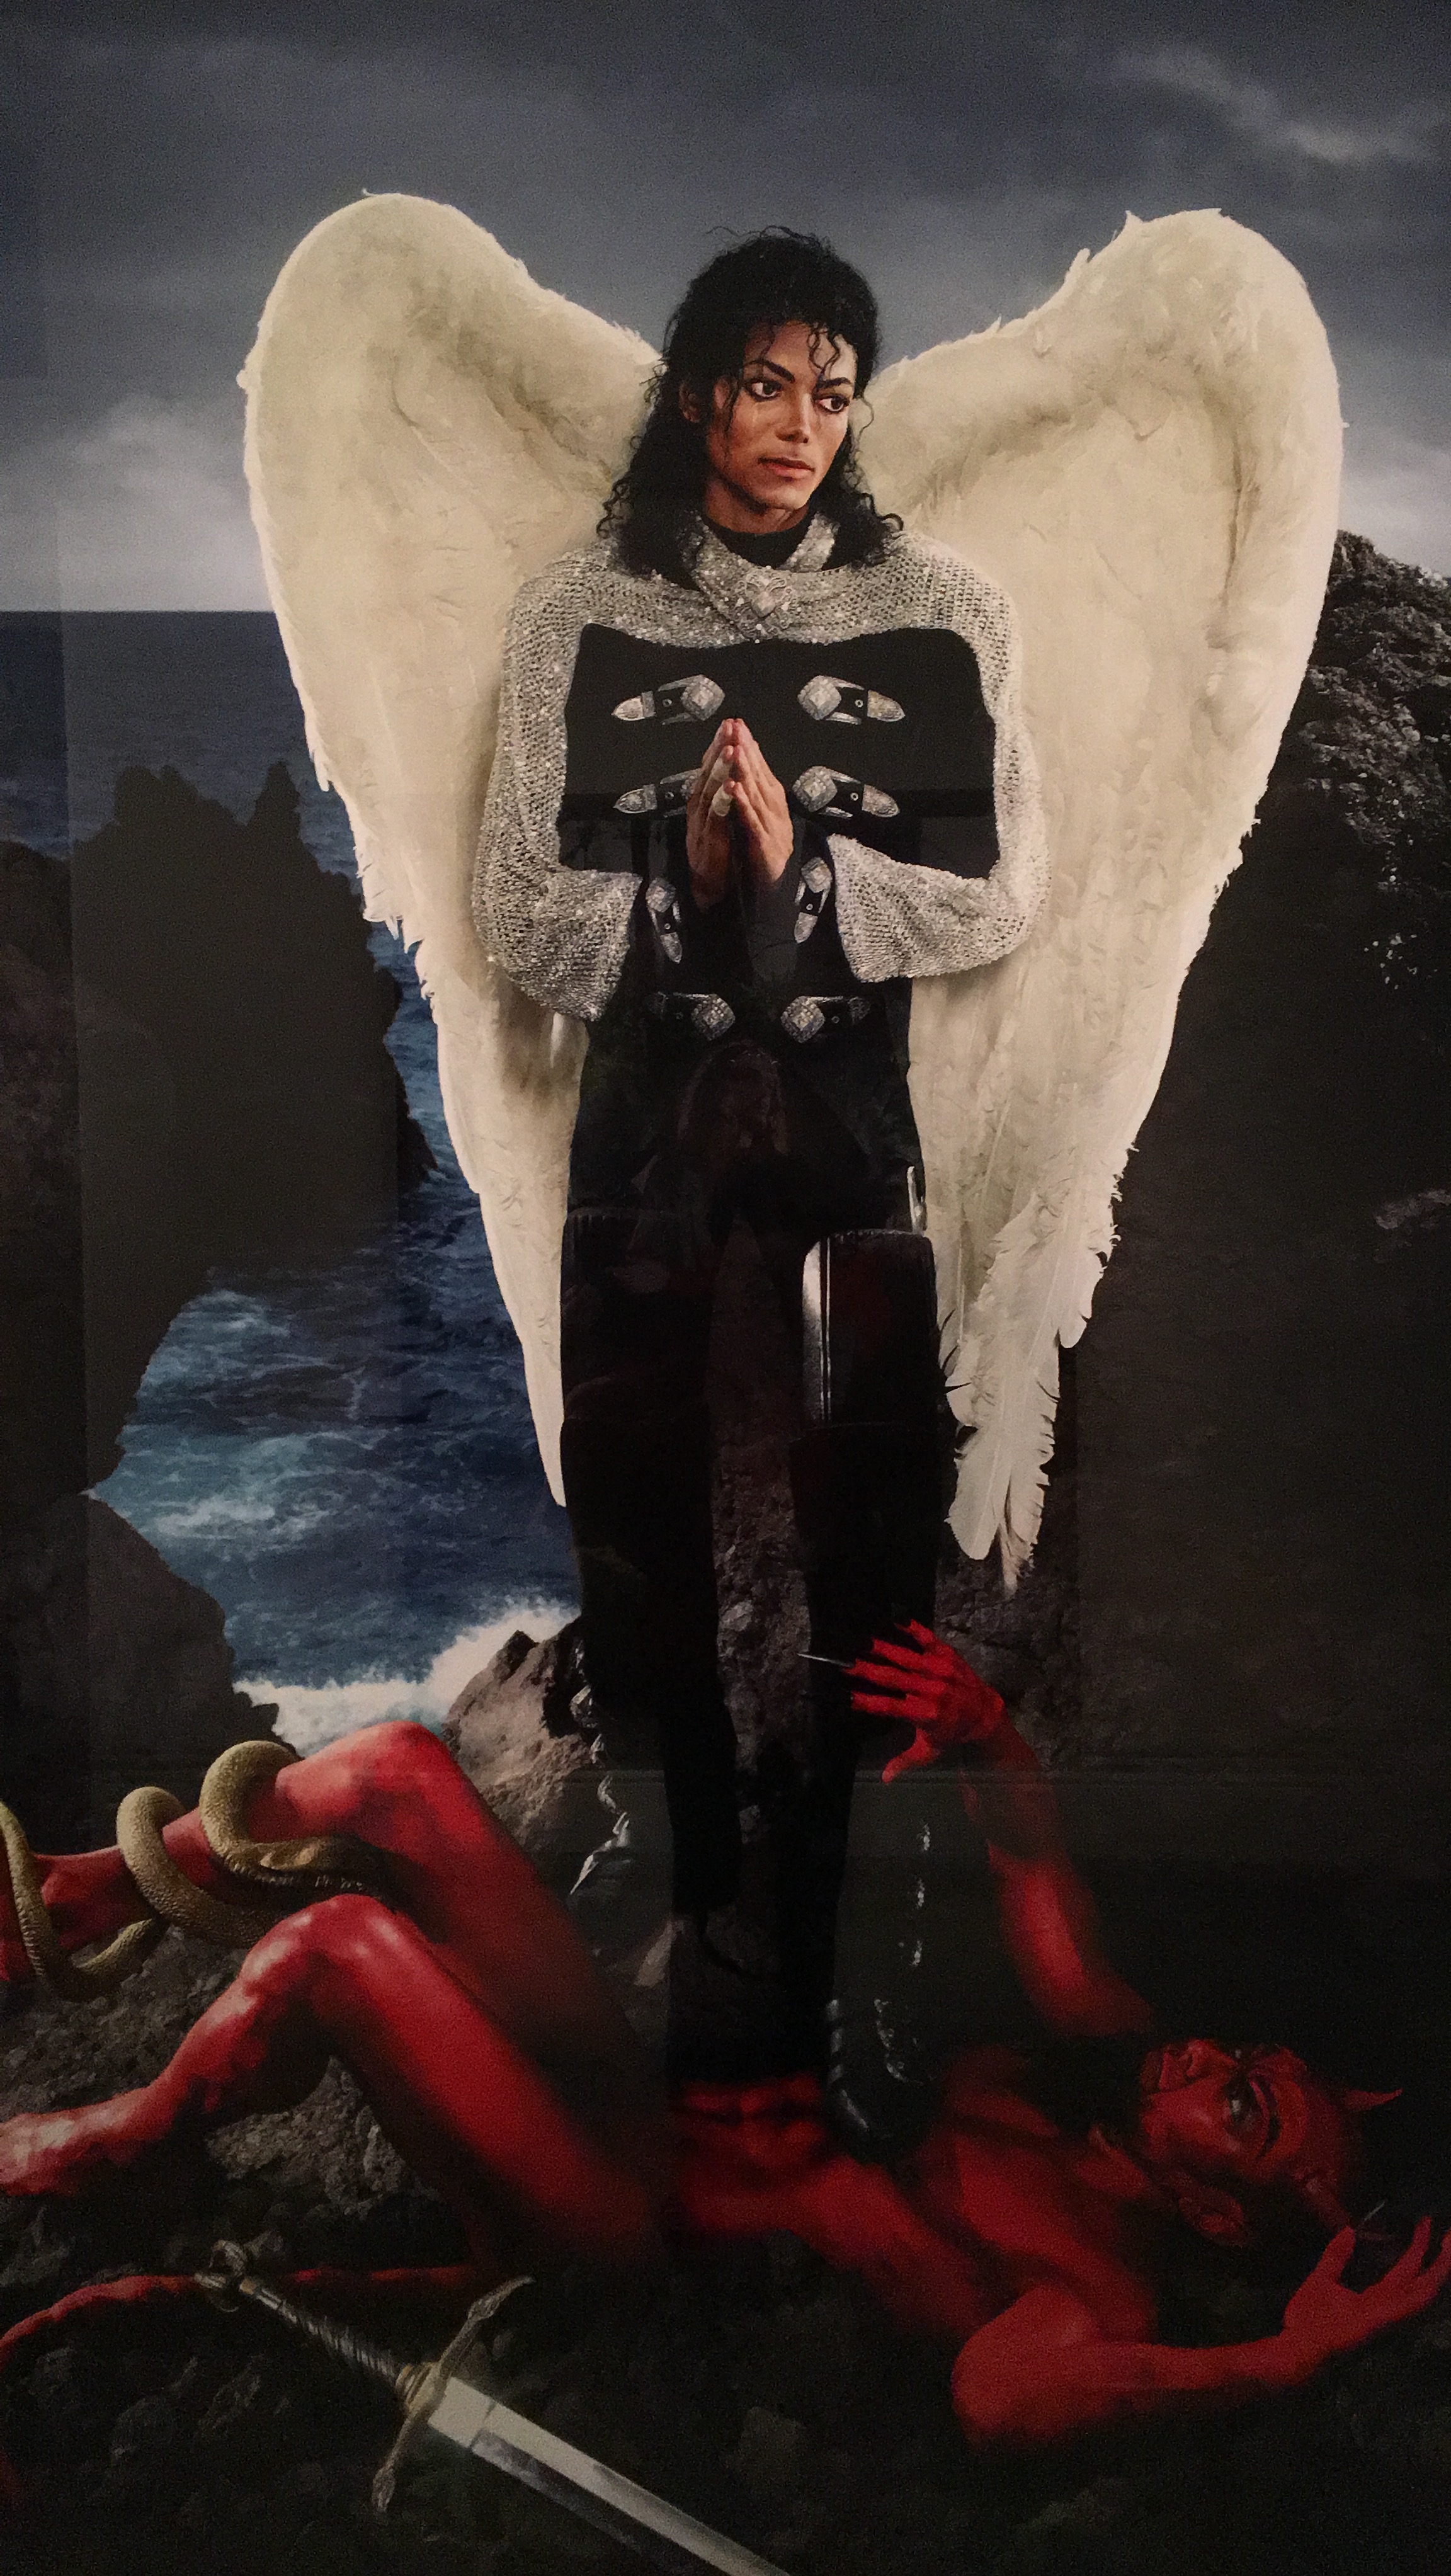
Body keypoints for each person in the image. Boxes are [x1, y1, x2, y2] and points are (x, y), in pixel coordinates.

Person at [2, 1630, 1445, 2448]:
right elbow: (1030, 1860)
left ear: (1215, 2210)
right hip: (635, 2092)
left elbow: (998, 2395)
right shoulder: (1102, 2051)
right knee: (395, 1770)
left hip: (619, 2216)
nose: (1206, 2060)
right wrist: (988, 1728)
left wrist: (1285, 2357)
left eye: (1241, 2108)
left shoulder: (1095, 2285)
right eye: (1247, 2054)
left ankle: (135, 2139)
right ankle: (77, 1894)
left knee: (338, 1946)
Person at [472, 230, 1048, 2058]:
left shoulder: (944, 607)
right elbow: (517, 915)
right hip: (644, 1128)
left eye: (833, 393)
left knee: (874, 1511)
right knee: (633, 1507)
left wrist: (806, 880)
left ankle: (864, 1921)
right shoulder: (577, 611)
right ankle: (677, 1891)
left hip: (848, 1116)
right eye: (766, 383)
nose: (801, 423)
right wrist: (684, 880)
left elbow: (999, 891)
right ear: (697, 393)